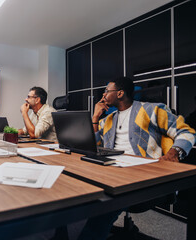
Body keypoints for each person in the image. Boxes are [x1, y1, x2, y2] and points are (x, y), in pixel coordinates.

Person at [78, 77, 196, 239]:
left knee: (104, 204)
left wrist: (174, 152)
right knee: (80, 187)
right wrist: (95, 117)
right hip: (114, 169)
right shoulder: (109, 119)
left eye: (107, 91)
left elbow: (186, 131)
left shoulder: (151, 110)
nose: (103, 95)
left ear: (119, 93)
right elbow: (92, 144)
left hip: (143, 174)